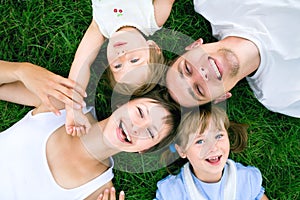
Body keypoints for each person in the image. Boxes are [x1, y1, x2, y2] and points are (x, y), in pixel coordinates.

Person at [0, 61, 181, 199]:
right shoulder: (65, 103)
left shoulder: (99, 192)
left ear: (144, 150)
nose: (137, 127)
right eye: (140, 112)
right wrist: (21, 70)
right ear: (121, 103)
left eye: (150, 133)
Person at [166, 0, 300, 118]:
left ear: (194, 46)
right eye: (199, 90)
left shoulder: (213, 4)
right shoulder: (280, 97)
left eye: (188, 69)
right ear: (221, 97)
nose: (201, 75)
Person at [66, 0, 175, 135]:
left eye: (117, 66)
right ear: (152, 47)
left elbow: (81, 63)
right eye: (134, 60)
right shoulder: (152, 19)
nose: (122, 56)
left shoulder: (101, 27)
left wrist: (72, 109)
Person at [154, 105, 268, 200]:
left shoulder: (246, 179)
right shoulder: (172, 192)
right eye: (200, 141)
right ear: (182, 150)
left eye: (218, 136)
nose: (213, 147)